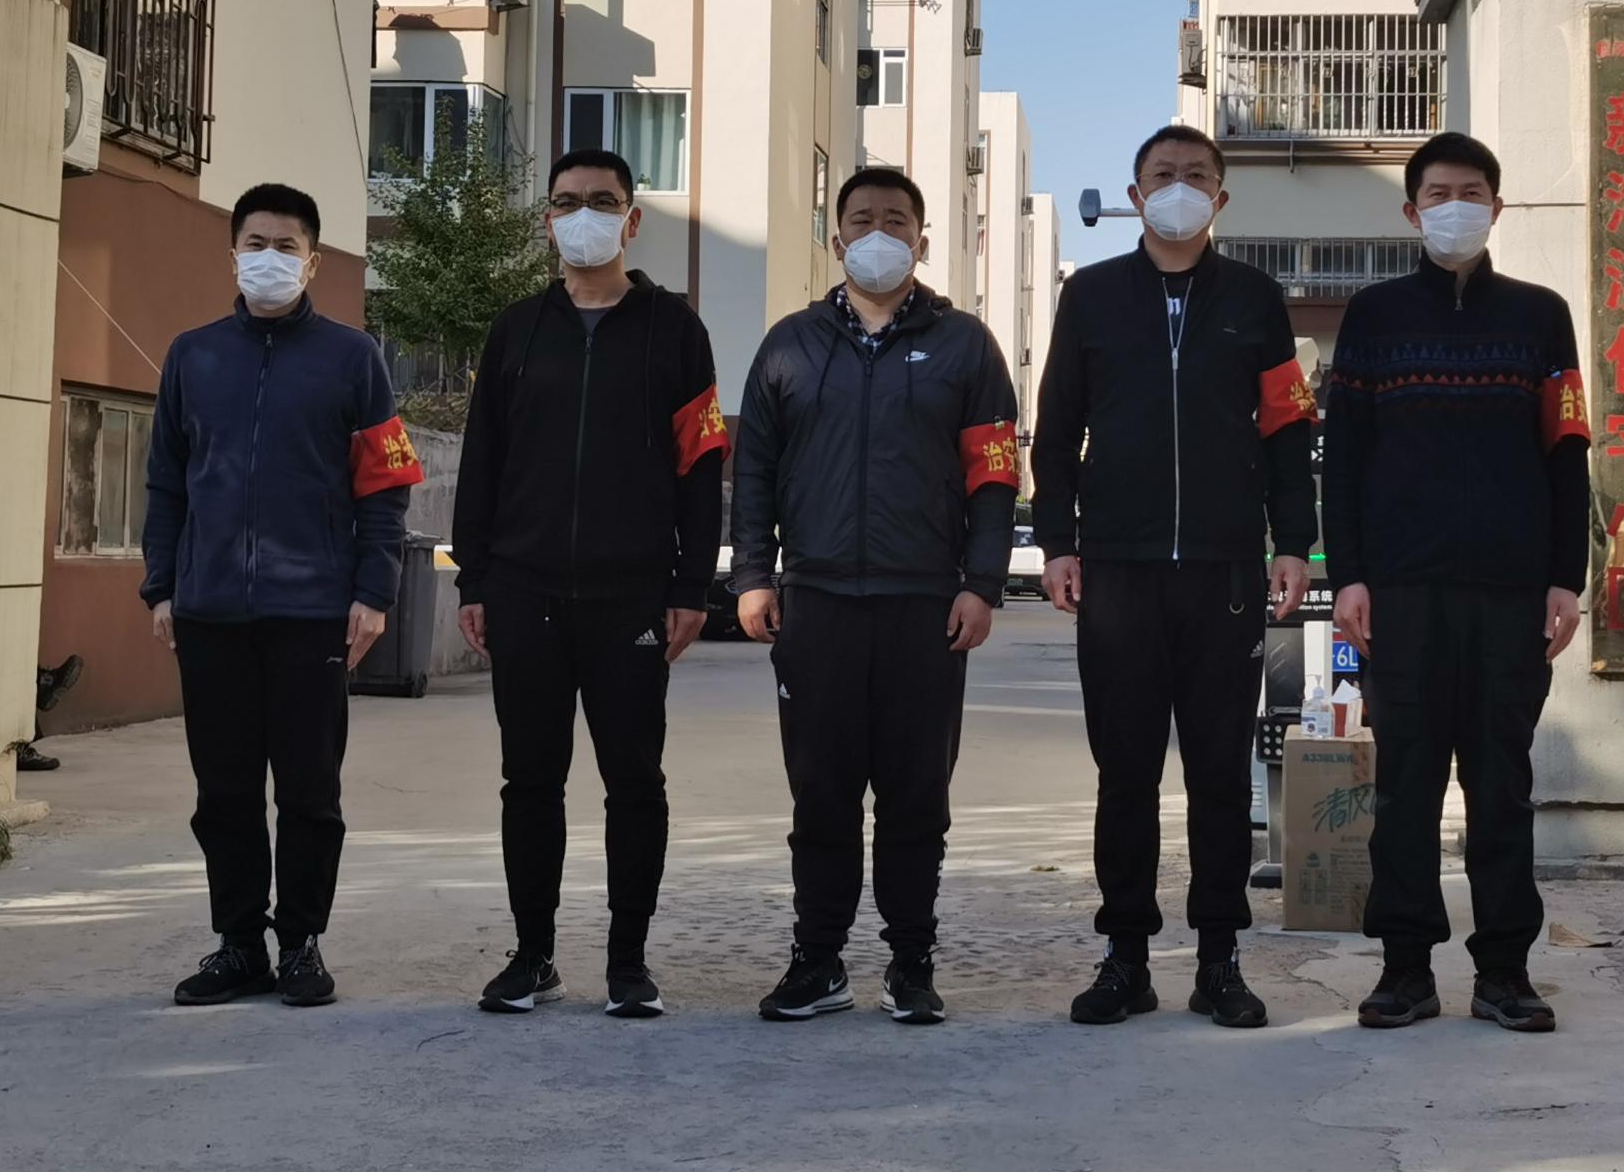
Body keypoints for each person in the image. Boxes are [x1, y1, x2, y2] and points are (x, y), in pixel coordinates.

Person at [1032, 124, 1318, 1031]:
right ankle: (1124, 956)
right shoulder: (1091, 296)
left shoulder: (1255, 299)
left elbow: (1287, 430)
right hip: (1117, 569)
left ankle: (1219, 958)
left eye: (1197, 175)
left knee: (1219, 777)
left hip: (1224, 570)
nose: (1179, 187)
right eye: (1163, 175)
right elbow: (1057, 428)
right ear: (1136, 193)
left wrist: (1293, 543)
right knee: (1124, 774)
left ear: (1220, 197)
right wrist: (1058, 542)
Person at [730, 166, 1019, 1027]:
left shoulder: (966, 346)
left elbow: (995, 477)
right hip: (815, 601)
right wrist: (753, 575)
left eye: (896, 220)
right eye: (862, 219)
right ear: (837, 238)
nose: (879, 233)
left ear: (922, 241)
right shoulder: (789, 345)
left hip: (923, 605)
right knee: (820, 793)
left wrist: (982, 584)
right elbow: (755, 472)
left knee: (915, 795)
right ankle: (817, 960)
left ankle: (911, 963)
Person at [1322, 132, 1590, 1035]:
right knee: (1404, 786)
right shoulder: (1373, 315)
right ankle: (1404, 969)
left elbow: (1567, 452)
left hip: (1512, 594)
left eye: (1471, 192)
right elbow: (1344, 460)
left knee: (1501, 787)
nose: (1455, 207)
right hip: (1401, 594)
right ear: (1412, 211)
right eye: (1438, 194)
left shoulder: (1542, 317)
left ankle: (1505, 971)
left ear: (1497, 207)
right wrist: (1350, 577)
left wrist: (1564, 579)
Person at [451, 149, 726, 1018]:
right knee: (529, 782)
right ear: (547, 221)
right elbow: (483, 463)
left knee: (634, 782)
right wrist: (473, 581)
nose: (584, 216)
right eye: (567, 202)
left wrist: (692, 585)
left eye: (602, 202)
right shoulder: (515, 330)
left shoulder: (675, 331)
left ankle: (628, 961)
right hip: (524, 591)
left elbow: (701, 466)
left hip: (631, 597)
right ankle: (532, 955)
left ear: (631, 220)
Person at [141, 183, 421, 1009]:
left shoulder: (353, 359)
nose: (269, 258)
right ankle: (239, 945)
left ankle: (300, 944)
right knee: (223, 794)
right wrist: (162, 585)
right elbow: (166, 484)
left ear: (313, 261)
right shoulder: (193, 356)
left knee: (308, 791)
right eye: (255, 244)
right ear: (233, 254)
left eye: (286, 246)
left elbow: (386, 486)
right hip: (210, 613)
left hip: (313, 614)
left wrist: (374, 591)